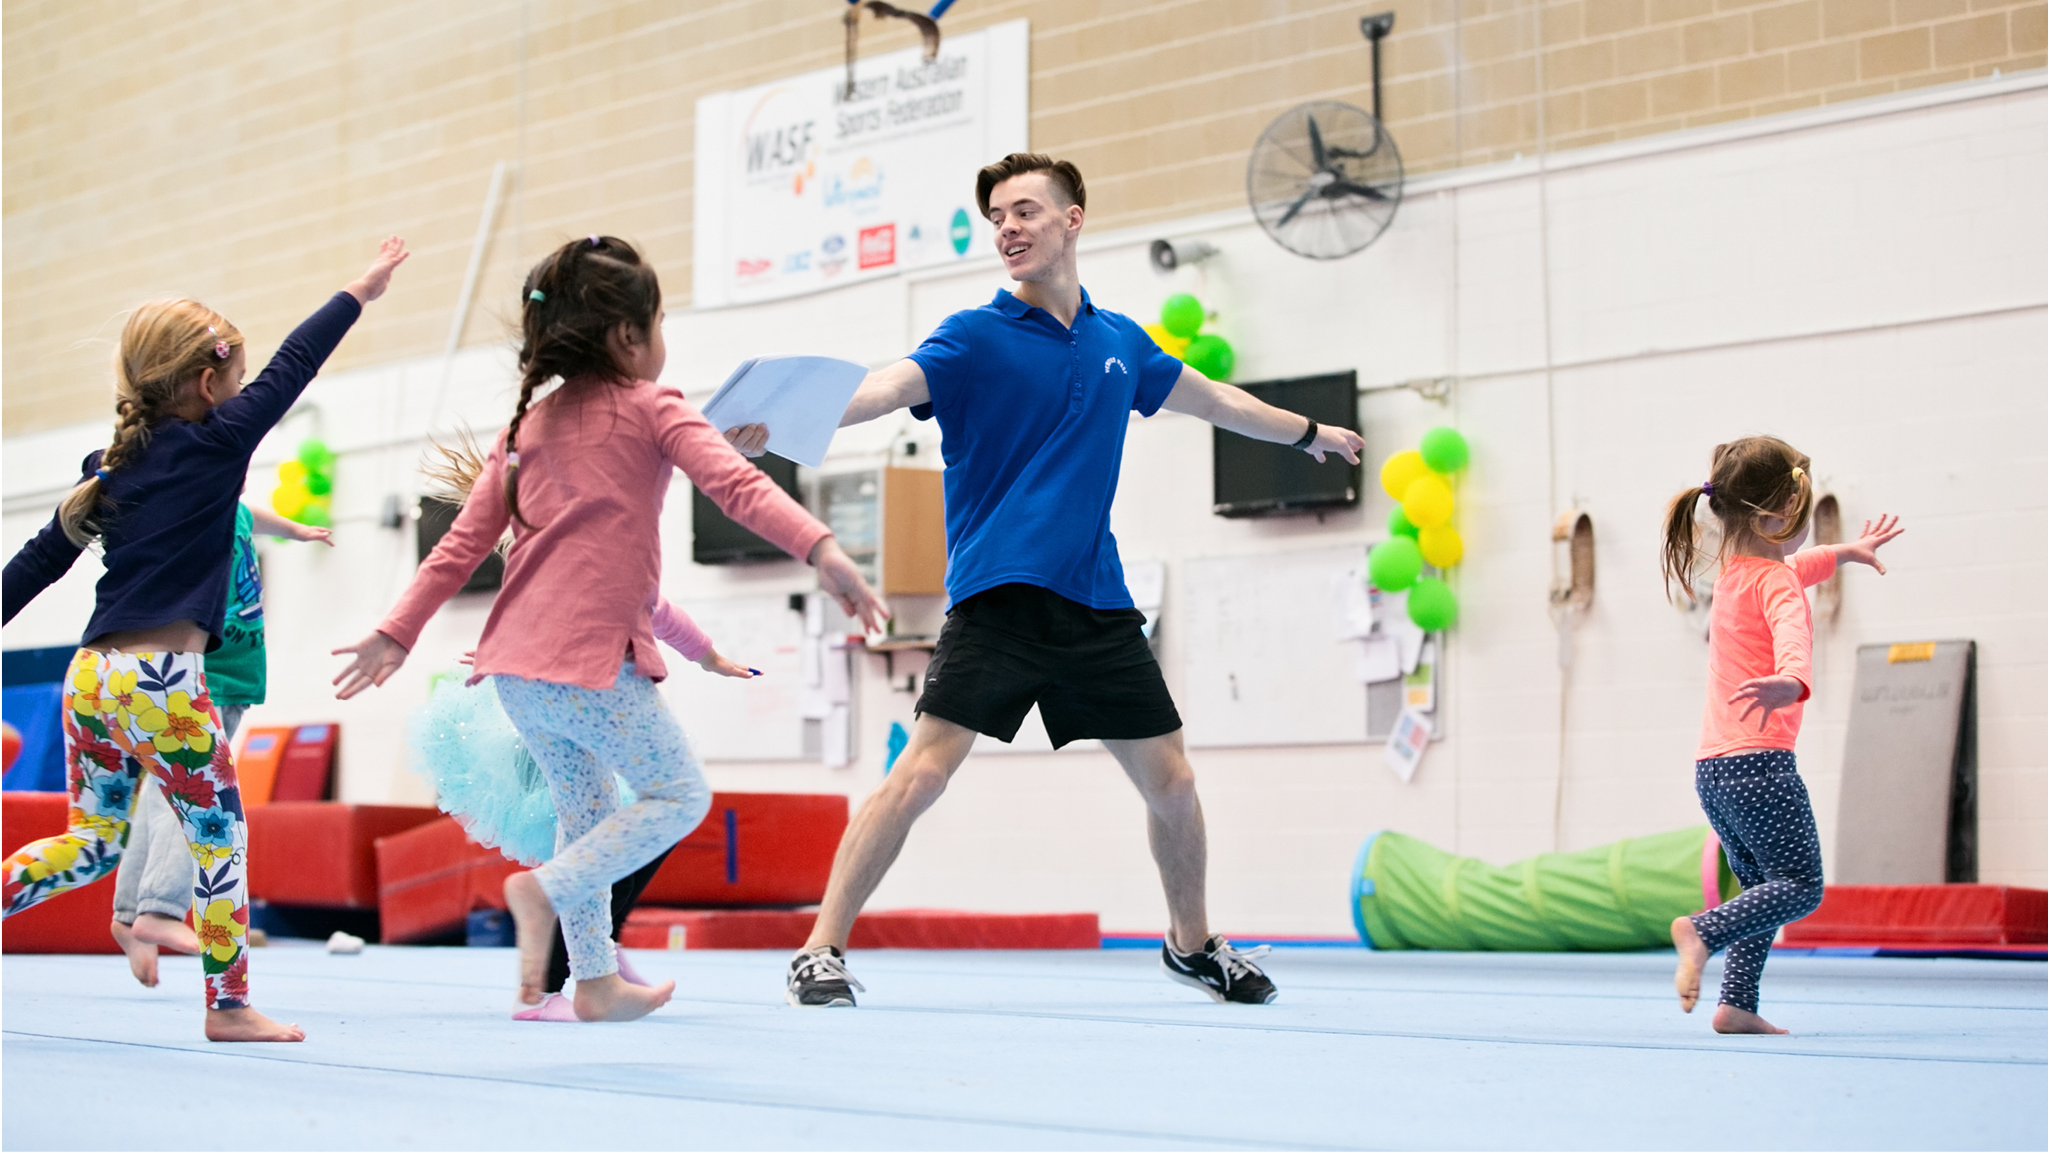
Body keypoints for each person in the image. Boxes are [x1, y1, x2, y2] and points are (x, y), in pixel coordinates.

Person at [725, 153, 1365, 1008]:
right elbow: (884, 388)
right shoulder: (971, 336)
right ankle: (821, 948)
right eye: (997, 216)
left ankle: (1190, 942)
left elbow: (1213, 399)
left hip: (1097, 602)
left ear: (1073, 220)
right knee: (920, 776)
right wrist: (789, 418)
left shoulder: (1118, 343)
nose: (1008, 228)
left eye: (1026, 210)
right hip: (998, 595)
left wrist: (1309, 433)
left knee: (1172, 781)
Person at [331, 235, 885, 1024]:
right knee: (679, 795)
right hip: (586, 667)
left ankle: (591, 981)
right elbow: (734, 488)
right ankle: (542, 892)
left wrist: (395, 632)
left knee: (585, 816)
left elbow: (458, 548)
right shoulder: (657, 405)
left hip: (515, 673)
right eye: (659, 322)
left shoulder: (528, 427)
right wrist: (822, 547)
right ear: (630, 337)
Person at [1, 236, 411, 1042]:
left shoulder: (108, 469)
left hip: (89, 679)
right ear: (207, 382)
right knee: (220, 837)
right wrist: (358, 292)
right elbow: (298, 364)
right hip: (160, 679)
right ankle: (229, 1007)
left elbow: (36, 564)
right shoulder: (219, 442)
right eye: (232, 378)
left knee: (90, 841)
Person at [405, 440, 761, 1020]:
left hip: (527, 695)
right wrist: (708, 656)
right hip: (578, 695)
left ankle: (584, 970)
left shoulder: (537, 552)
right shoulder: (593, 543)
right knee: (664, 803)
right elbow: (656, 607)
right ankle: (569, 945)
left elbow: (643, 608)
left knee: (588, 824)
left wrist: (709, 656)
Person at [1660, 436, 1902, 1034]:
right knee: (1800, 886)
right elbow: (1793, 635)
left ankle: (1737, 1004)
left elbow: (1801, 564)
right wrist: (1790, 682)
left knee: (1764, 887)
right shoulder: (1777, 585)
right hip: (1758, 764)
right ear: (1776, 516)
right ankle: (1702, 931)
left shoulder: (1738, 575)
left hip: (1713, 771)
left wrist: (1847, 551)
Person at [110, 502, 332, 988]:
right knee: (191, 787)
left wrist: (294, 530)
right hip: (205, 672)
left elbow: (252, 513)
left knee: (161, 791)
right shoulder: (195, 494)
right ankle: (159, 907)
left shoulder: (231, 501)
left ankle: (130, 916)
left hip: (223, 670)